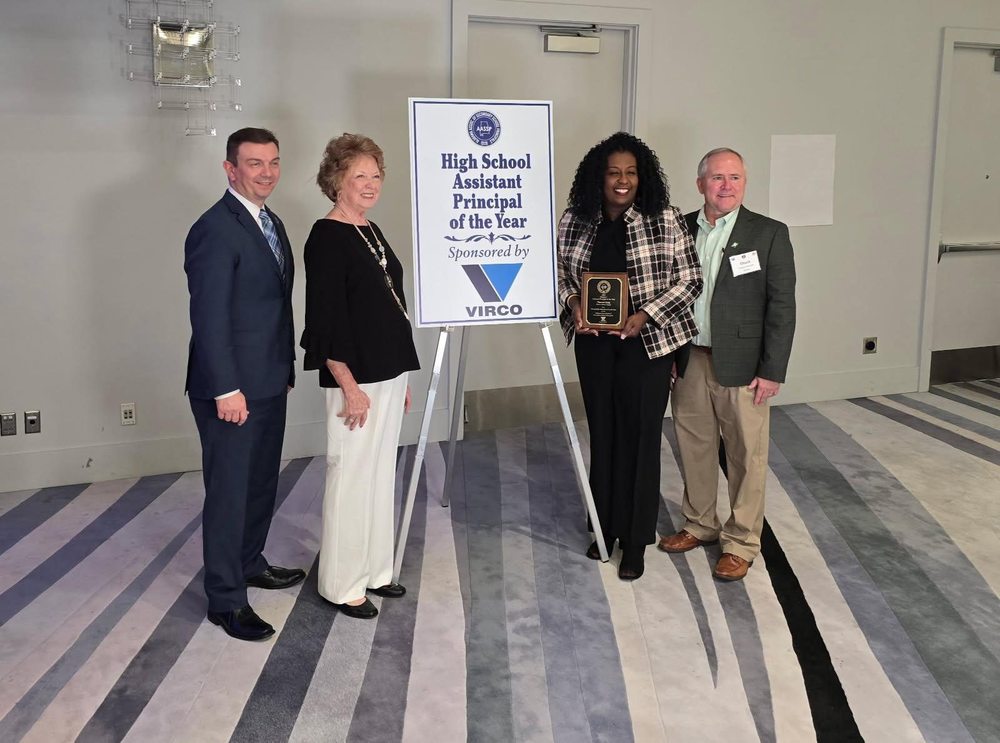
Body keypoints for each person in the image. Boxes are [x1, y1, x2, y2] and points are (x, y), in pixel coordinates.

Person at [557, 131, 703, 581]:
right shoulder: (574, 219)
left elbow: (691, 280)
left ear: (643, 177)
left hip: (648, 345)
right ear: (598, 178)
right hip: (595, 345)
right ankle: (604, 528)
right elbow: (557, 274)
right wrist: (574, 304)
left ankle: (636, 539)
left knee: (640, 438)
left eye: (631, 173)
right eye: (614, 173)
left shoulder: (665, 218)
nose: (623, 181)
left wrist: (645, 315)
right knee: (603, 434)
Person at [184, 127, 305, 642]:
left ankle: (250, 562)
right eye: (255, 163)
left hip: (269, 379)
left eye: (273, 162)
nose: (267, 172)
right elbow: (209, 318)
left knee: (260, 483)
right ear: (230, 169)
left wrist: (283, 369)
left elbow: (273, 307)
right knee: (230, 493)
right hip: (230, 388)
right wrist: (225, 388)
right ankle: (226, 600)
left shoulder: (270, 222)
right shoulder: (214, 228)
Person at [659, 147, 796, 581]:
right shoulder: (678, 228)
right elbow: (663, 293)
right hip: (690, 359)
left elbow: (782, 306)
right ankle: (700, 523)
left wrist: (772, 369)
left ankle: (740, 542)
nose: (726, 186)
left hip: (744, 365)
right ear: (701, 184)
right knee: (694, 446)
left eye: (735, 178)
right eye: (717, 177)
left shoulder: (769, 233)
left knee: (745, 455)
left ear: (744, 183)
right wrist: (668, 354)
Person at [300, 133, 420, 619]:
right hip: (354, 378)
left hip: (387, 373)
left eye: (375, 175)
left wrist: (400, 377)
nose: (370, 184)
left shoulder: (370, 228)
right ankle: (341, 583)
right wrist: (349, 386)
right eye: (359, 176)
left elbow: (389, 305)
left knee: (378, 475)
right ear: (336, 181)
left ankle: (374, 571)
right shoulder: (326, 236)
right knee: (350, 476)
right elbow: (325, 321)